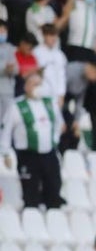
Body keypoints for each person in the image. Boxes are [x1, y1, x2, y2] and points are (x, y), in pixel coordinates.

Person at [0, 71, 64, 209]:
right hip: (28, 155)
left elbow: (59, 123)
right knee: (30, 193)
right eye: (35, 84)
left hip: (49, 154)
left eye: (40, 84)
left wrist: (55, 139)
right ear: (26, 87)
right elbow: (6, 131)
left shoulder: (50, 103)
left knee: (53, 189)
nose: (38, 87)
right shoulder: (17, 106)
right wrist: (5, 153)